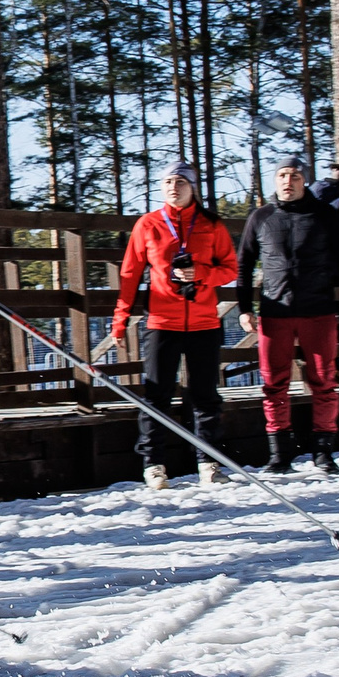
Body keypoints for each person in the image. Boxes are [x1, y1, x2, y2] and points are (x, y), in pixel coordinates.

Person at [108, 161, 238, 489]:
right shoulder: (148, 224)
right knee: (156, 394)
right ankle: (154, 464)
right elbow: (130, 274)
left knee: (205, 394)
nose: (172, 187)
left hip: (204, 322)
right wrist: (120, 319)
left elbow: (231, 268)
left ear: (193, 186)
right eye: (167, 182)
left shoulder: (211, 224)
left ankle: (209, 462)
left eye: (180, 182)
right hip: (162, 321)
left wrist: (203, 275)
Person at [236, 154, 339, 475]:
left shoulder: (325, 216)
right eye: (281, 176)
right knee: (273, 383)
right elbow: (245, 263)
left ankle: (323, 453)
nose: (287, 182)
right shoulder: (260, 217)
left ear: (304, 179)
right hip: (274, 311)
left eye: (293, 175)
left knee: (323, 380)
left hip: (317, 310)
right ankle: (280, 455)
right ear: (274, 180)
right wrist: (245, 308)